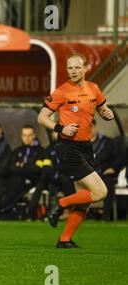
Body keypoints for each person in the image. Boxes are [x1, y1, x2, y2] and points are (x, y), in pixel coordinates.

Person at [38, 53, 114, 249]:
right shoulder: (62, 91)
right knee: (100, 192)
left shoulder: (94, 88)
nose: (72, 71)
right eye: (70, 68)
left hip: (85, 147)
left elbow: (103, 108)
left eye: (77, 67)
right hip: (68, 147)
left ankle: (64, 240)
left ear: (85, 68)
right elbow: (42, 117)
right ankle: (62, 203)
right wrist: (60, 128)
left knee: (84, 202)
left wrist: (107, 113)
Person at [0, 125, 46, 220]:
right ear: (21, 136)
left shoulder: (40, 152)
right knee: (0, 182)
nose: (27, 138)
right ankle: (2, 211)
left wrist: (21, 167)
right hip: (14, 178)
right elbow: (9, 167)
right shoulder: (17, 151)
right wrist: (23, 168)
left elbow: (36, 169)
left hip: (31, 180)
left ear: (34, 135)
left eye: (29, 135)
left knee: (17, 185)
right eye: (24, 135)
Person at [90, 120, 123, 221]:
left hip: (103, 173)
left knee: (108, 182)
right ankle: (80, 213)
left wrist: (113, 168)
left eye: (90, 127)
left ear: (95, 128)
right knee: (70, 180)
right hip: (87, 175)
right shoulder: (80, 144)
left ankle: (106, 214)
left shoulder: (107, 142)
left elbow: (119, 157)